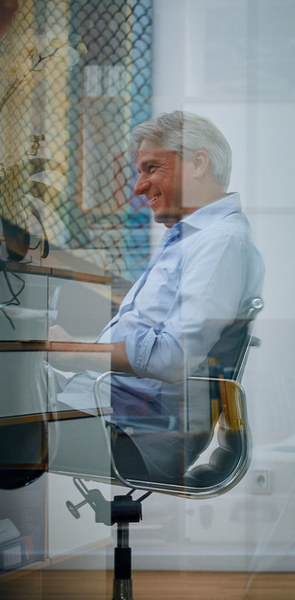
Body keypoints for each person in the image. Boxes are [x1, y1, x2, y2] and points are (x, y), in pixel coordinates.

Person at [48, 110, 264, 481]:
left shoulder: (221, 244)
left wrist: (66, 351)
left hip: (126, 433)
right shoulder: (193, 239)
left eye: (151, 168)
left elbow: (171, 358)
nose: (138, 187)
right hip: (106, 410)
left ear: (198, 163)